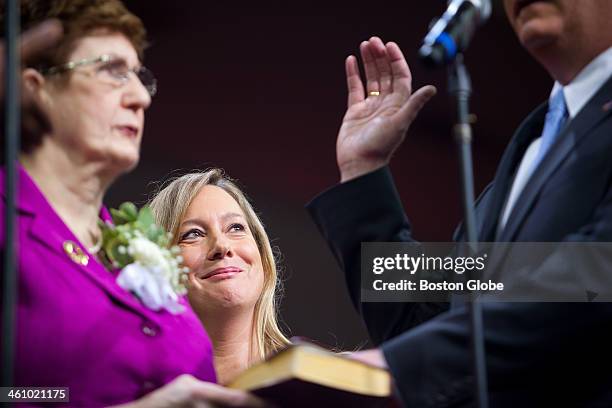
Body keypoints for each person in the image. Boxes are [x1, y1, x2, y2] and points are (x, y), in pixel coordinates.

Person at [307, 1, 612, 406]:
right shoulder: (535, 145)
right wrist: (363, 172)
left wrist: (394, 365)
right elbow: (432, 322)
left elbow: (594, 278)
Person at [0, 1, 263, 406]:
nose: (140, 96)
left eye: (140, 76)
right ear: (37, 86)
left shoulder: (140, 253)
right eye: (111, 70)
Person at [149, 169, 291, 385]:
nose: (222, 246)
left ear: (261, 253)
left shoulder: (324, 378)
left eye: (235, 227)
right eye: (193, 234)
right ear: (156, 265)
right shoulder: (137, 396)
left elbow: (364, 250)